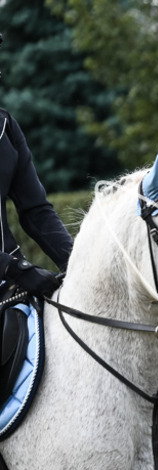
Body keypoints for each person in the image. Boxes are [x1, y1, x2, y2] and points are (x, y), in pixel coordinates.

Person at [0, 31, 73, 298]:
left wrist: (78, 263)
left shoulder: (6, 127)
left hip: (8, 281)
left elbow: (35, 211)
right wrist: (15, 269)